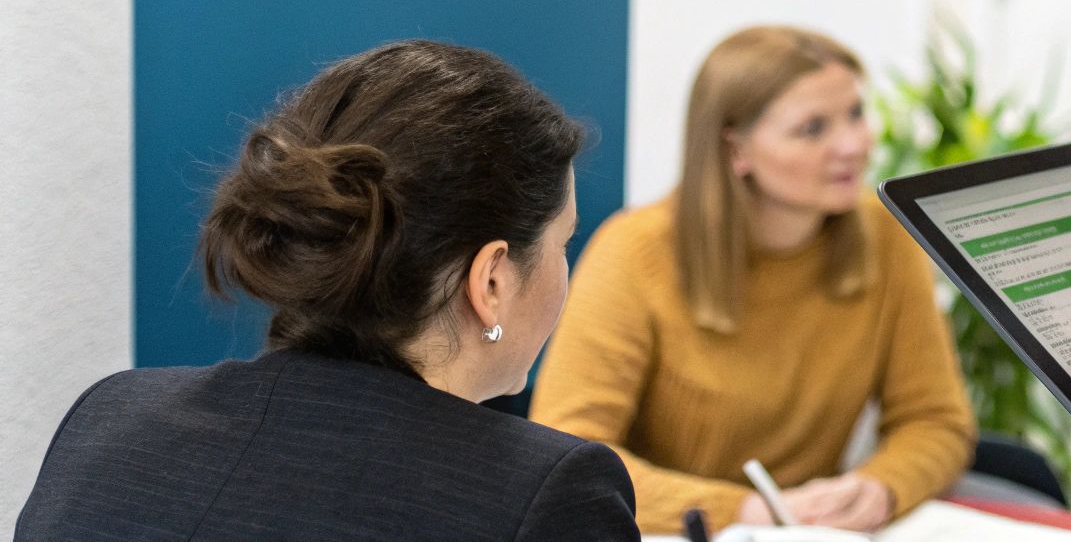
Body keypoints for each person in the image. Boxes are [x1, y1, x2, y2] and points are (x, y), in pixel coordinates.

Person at [17, 40, 640, 541]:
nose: (566, 271)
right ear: (492, 281)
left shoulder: (109, 423)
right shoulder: (547, 494)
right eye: (563, 244)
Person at [531, 26, 975, 535]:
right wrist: (744, 512)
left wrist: (880, 487)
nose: (854, 144)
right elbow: (567, 450)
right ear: (735, 150)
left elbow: (936, 420)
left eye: (855, 113)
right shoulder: (634, 253)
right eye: (813, 129)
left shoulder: (886, 240)